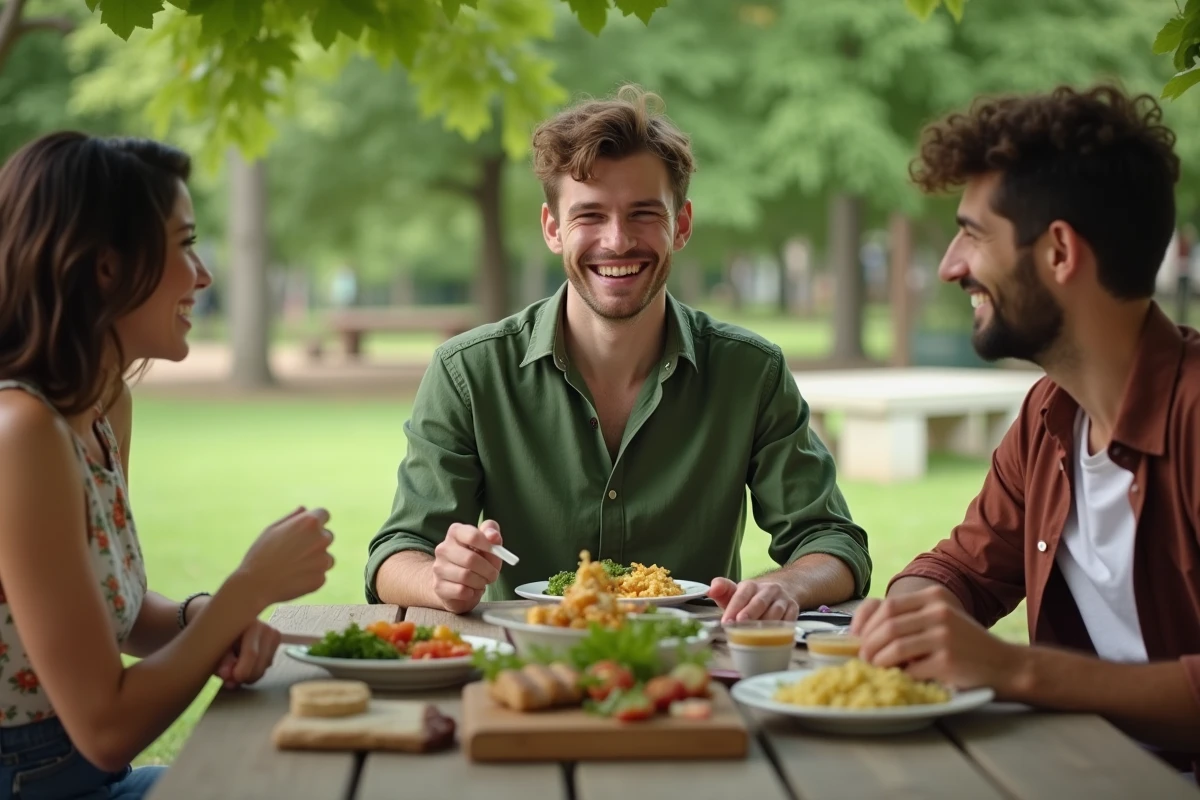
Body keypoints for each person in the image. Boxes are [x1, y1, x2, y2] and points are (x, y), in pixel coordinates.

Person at [365, 86, 871, 622]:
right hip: (529, 667)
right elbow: (395, 553)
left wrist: (784, 586)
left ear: (682, 224)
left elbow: (833, 542)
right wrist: (440, 578)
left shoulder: (751, 372)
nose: (617, 241)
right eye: (589, 217)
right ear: (553, 229)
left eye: (643, 213)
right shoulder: (468, 372)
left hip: (694, 671)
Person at [850, 85, 1200, 779]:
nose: (951, 265)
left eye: (973, 235)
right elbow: (959, 571)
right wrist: (917, 619)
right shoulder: (1049, 416)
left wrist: (1016, 670)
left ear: (1060, 253)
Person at [0, 132, 336, 798]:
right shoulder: (22, 434)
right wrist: (247, 589)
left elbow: (108, 617)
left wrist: (200, 618)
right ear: (105, 266)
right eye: (184, 244)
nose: (204, 274)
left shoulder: (101, 406)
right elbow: (106, 726)